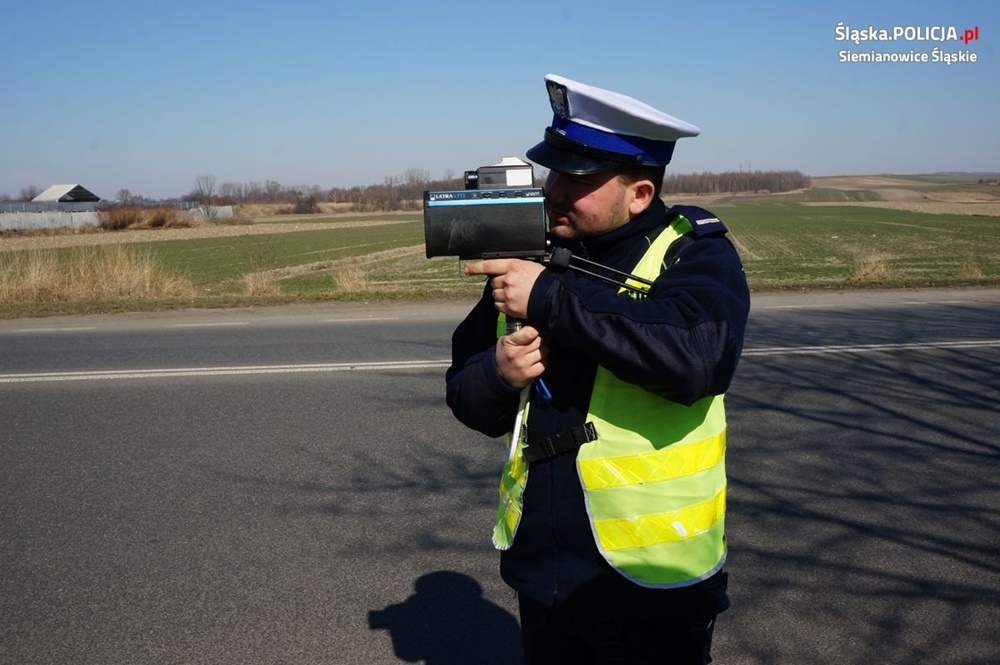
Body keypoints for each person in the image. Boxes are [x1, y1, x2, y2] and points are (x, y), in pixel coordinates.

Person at [445, 74, 751, 665]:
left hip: (652, 585)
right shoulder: (532, 262)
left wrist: (550, 299)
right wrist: (498, 376)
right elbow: (465, 397)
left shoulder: (693, 253)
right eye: (553, 173)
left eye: (578, 179)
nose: (554, 191)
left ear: (638, 193)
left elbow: (698, 360)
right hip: (544, 577)